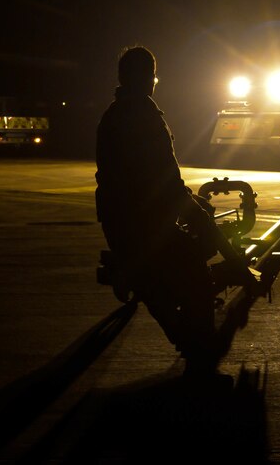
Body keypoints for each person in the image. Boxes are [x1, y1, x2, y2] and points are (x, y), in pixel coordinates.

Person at [95, 45, 227, 377]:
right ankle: (201, 361)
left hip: (120, 226)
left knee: (158, 284)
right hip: (147, 227)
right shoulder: (144, 115)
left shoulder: (112, 115)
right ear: (147, 78)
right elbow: (163, 180)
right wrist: (196, 214)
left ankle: (183, 334)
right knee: (198, 277)